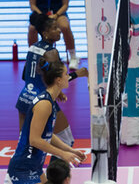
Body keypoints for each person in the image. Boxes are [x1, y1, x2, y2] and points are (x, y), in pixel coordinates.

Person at [16, 13, 88, 161]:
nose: (59, 31)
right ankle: (55, 178)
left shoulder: (33, 48)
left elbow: (26, 75)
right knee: (65, 140)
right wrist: (78, 74)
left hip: (24, 98)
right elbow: (59, 79)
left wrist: (57, 91)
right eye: (55, 28)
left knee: (26, 145)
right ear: (45, 33)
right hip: (40, 100)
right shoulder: (52, 52)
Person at [5, 59, 86, 184]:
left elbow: (47, 134)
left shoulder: (50, 101)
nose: (68, 76)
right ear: (58, 80)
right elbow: (34, 140)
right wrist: (62, 154)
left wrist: (70, 151)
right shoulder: (44, 104)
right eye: (66, 74)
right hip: (23, 169)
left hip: (34, 167)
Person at [28, 0, 80, 69]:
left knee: (65, 26)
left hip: (57, 14)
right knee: (32, 28)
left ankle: (73, 57)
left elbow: (65, 5)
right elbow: (32, 5)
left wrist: (56, 15)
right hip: (41, 15)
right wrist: (42, 16)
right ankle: (33, 56)